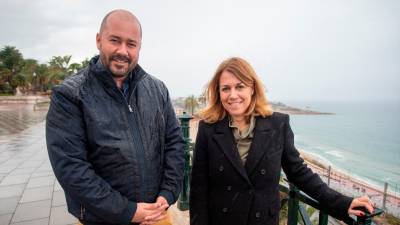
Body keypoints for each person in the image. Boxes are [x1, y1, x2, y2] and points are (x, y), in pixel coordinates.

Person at [189, 57, 374, 225]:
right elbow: (198, 189)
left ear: (252, 89)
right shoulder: (209, 129)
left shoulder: (277, 124)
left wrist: (341, 202)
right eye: (225, 88)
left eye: (240, 86)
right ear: (218, 93)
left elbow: (298, 171)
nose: (233, 95)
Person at [46, 9, 185, 225]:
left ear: (139, 47)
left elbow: (175, 144)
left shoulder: (157, 89)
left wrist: (167, 193)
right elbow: (71, 168)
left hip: (157, 215)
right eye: (115, 40)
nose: (123, 50)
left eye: (131, 44)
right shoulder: (70, 95)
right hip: (101, 219)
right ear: (99, 40)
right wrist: (128, 211)